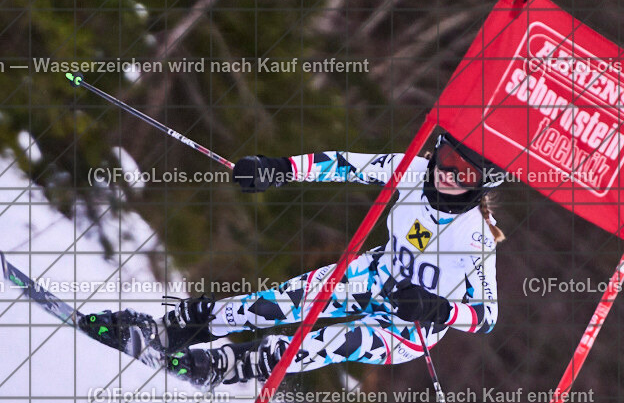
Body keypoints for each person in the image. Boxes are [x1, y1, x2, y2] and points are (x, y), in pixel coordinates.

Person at [81, 132, 505, 388]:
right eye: (448, 160)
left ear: (482, 184)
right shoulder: (412, 170)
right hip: (372, 277)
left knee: (325, 343)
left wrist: (439, 308)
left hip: (409, 326)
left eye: (466, 174)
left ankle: (224, 366)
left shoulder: (476, 237)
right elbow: (342, 165)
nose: (449, 175)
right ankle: (168, 333)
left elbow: (487, 316)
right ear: (438, 151)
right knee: (270, 305)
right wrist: (279, 168)